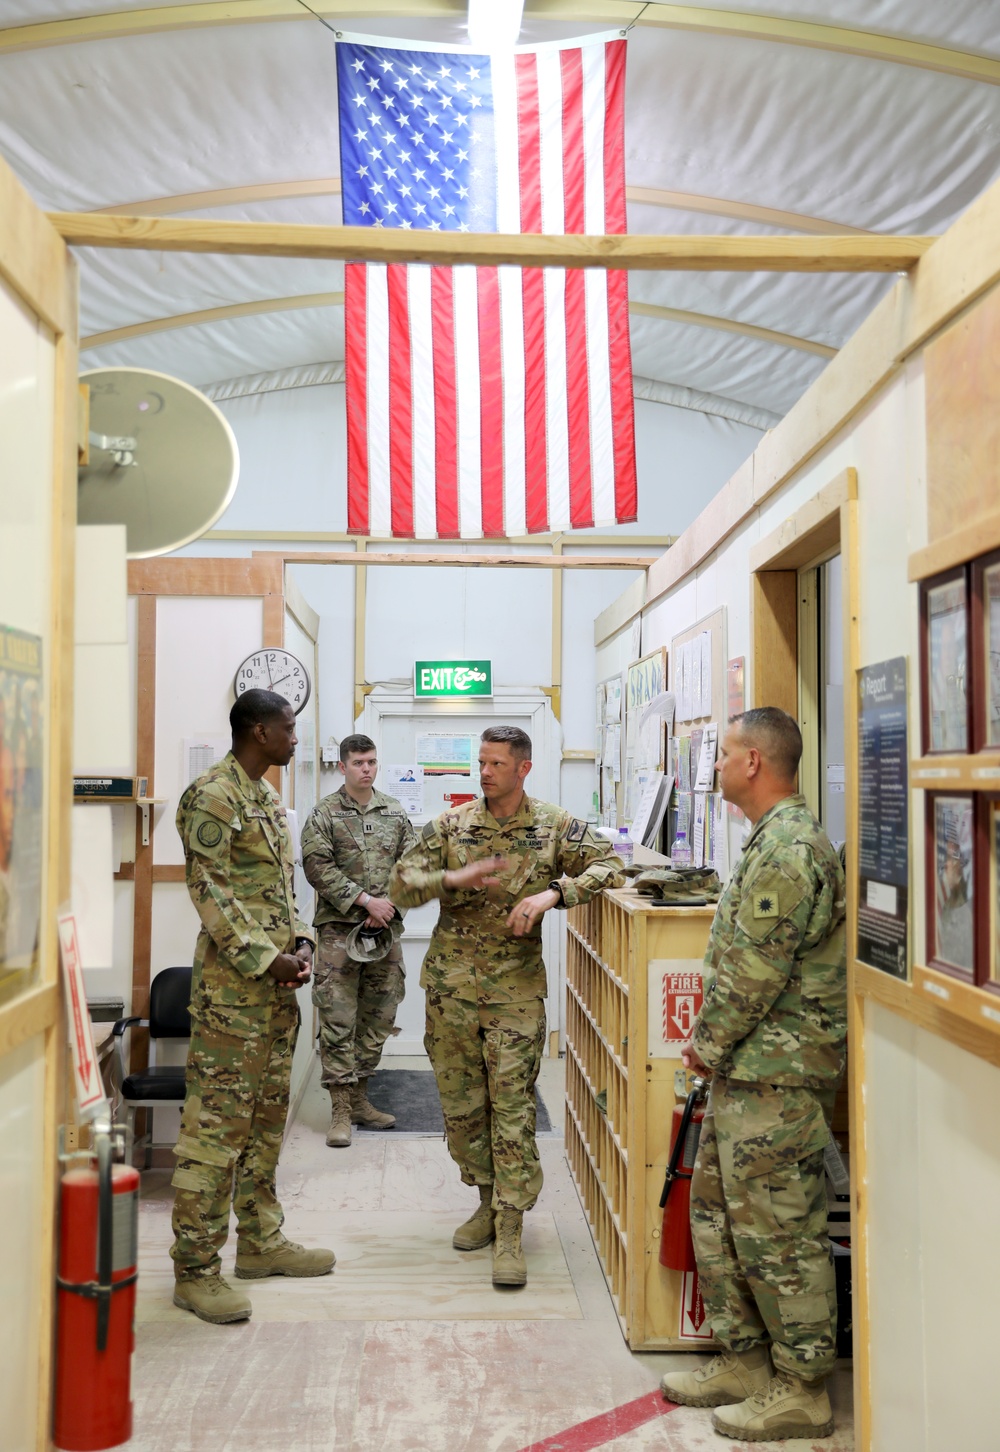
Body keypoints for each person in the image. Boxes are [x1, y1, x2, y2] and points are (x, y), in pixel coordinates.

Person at [660, 707, 846, 1441]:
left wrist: (705, 1043)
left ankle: (803, 1386)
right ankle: (747, 1360)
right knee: (718, 1217)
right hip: (748, 1072)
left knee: (779, 1235)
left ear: (754, 764)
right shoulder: (769, 840)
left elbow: (755, 974)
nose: (715, 765)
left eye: (724, 752)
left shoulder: (790, 851)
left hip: (779, 1077)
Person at [390, 725, 624, 1289]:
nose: (485, 771)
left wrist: (553, 895)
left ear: (523, 768)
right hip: (450, 990)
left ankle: (511, 1226)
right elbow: (400, 885)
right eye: (481, 761)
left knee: (513, 1106)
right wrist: (452, 877)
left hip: (515, 993)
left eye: (496, 763)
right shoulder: (452, 825)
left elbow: (610, 864)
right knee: (464, 1107)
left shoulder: (553, 826)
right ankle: (486, 1201)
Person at [170, 688, 335, 1325]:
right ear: (260, 730)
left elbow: (279, 891)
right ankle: (195, 1270)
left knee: (266, 1124)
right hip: (232, 998)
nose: (297, 738)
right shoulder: (210, 796)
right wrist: (265, 958)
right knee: (216, 1132)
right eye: (289, 728)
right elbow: (208, 890)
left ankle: (261, 1243)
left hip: (274, 993)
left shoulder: (265, 797)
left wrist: (300, 943)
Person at [300, 734, 416, 1147]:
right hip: (338, 933)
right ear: (343, 767)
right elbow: (317, 867)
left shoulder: (394, 811)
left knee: (379, 1016)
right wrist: (365, 901)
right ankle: (340, 1110)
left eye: (371, 761)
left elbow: (413, 865)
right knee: (338, 1019)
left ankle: (362, 1096)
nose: (366, 769)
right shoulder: (325, 814)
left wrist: (388, 907)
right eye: (358, 762)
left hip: (384, 931)